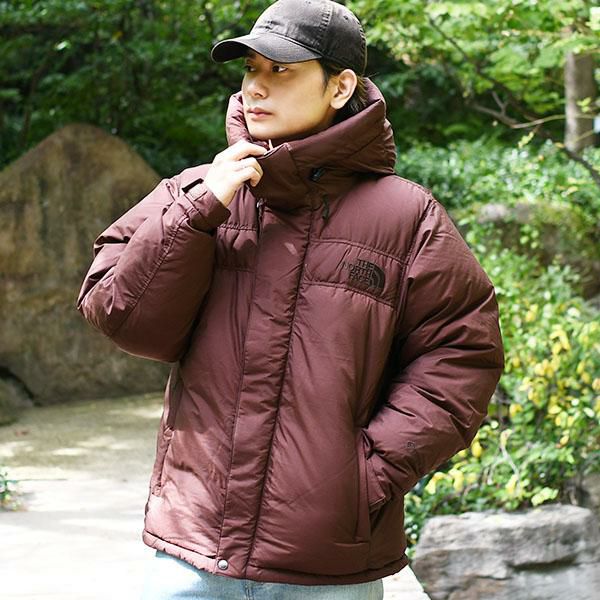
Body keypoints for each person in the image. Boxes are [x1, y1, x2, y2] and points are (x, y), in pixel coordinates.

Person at [76, 1, 504, 598]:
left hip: (326, 564)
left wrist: (366, 473)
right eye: (250, 69)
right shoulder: (197, 193)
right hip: (193, 553)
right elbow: (123, 317)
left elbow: (461, 356)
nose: (256, 87)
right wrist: (198, 213)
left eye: (281, 70)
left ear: (340, 87)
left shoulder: (406, 219)